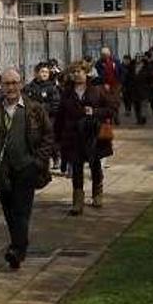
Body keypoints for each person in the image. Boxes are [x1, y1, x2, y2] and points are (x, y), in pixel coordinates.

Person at [0, 69, 54, 270]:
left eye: (14, 83)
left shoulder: (34, 109)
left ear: (21, 84)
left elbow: (48, 137)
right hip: (1, 169)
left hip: (27, 167)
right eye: (6, 84)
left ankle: (16, 249)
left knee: (21, 210)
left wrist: (38, 162)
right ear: (1, 86)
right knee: (8, 210)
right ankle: (19, 245)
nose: (10, 87)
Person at [56, 62, 116, 215]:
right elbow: (60, 116)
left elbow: (111, 109)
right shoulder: (67, 92)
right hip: (74, 135)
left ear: (87, 73)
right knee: (76, 168)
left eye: (80, 71)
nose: (77, 74)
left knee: (95, 165)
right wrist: (57, 137)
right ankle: (77, 201)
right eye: (74, 72)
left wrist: (95, 111)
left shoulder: (97, 90)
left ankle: (97, 194)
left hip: (93, 135)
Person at [23, 62, 61, 171]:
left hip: (49, 119)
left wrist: (42, 109)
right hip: (32, 120)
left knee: (49, 141)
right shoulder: (29, 88)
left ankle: (55, 158)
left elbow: (55, 104)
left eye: (46, 72)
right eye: (42, 72)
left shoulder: (52, 88)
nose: (44, 74)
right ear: (36, 73)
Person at [94, 48, 124, 124]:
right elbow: (98, 74)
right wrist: (103, 83)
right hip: (104, 85)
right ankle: (109, 117)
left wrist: (120, 82)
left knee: (116, 101)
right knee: (107, 101)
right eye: (103, 55)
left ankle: (116, 115)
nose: (105, 56)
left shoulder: (116, 61)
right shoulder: (98, 63)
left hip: (115, 84)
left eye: (106, 54)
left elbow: (121, 71)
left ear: (109, 54)